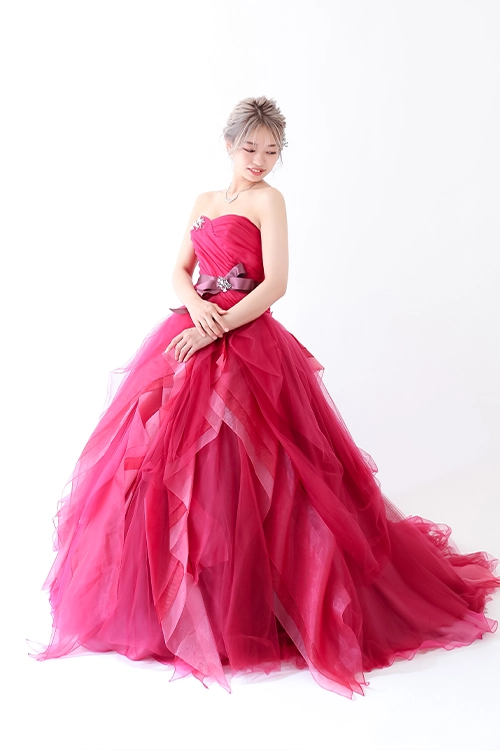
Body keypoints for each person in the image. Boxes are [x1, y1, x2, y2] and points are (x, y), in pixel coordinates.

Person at [32, 96, 500, 699]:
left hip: (245, 335)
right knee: (165, 460)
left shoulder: (268, 200)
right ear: (228, 145)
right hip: (194, 325)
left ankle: (263, 601)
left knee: (264, 465)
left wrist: (216, 327)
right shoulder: (204, 200)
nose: (259, 160)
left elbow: (274, 284)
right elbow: (178, 270)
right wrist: (195, 308)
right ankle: (183, 603)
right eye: (250, 147)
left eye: (272, 151)